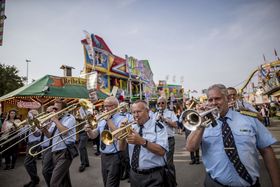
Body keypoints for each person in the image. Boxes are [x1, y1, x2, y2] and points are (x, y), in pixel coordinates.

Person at [186, 84, 280, 187]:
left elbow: (267, 150)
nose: (214, 103)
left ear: (227, 98)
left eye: (217, 99)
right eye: (210, 100)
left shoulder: (248, 118)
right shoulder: (203, 123)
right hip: (215, 184)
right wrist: (201, 125)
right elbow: (191, 147)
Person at [119, 100, 168, 187]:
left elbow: (161, 151)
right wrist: (122, 135)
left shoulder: (158, 127)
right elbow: (121, 148)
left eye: (139, 111)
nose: (136, 115)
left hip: (153, 175)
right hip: (134, 175)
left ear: (148, 111)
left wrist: (142, 141)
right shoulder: (132, 127)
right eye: (133, 112)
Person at [85, 96, 127, 187]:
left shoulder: (122, 119)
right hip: (103, 155)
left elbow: (119, 136)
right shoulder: (102, 119)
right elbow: (94, 135)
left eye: (108, 106)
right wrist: (89, 131)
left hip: (115, 156)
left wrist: (108, 120)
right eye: (104, 106)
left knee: (111, 184)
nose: (105, 108)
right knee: (106, 182)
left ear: (115, 106)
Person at [50, 99, 77, 187]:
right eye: (53, 108)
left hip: (65, 152)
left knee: (54, 183)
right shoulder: (56, 119)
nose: (54, 111)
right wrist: (43, 128)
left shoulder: (70, 117)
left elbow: (64, 131)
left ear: (64, 110)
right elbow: (49, 135)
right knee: (64, 180)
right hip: (55, 151)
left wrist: (55, 120)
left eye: (56, 109)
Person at [155, 96, 178, 178]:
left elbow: (175, 125)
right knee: (160, 162)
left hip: (169, 140)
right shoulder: (155, 114)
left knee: (169, 162)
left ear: (166, 103)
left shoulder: (170, 113)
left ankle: (172, 182)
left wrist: (165, 119)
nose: (160, 104)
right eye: (159, 103)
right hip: (158, 141)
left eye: (162, 102)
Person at [22, 109, 42, 187]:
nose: (28, 117)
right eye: (28, 115)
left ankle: (35, 179)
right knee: (32, 162)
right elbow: (22, 134)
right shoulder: (29, 122)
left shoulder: (38, 122)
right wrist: (24, 126)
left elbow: (38, 134)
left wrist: (31, 125)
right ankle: (33, 180)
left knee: (27, 163)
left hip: (35, 143)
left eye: (30, 115)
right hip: (29, 143)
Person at [39, 106, 56, 187]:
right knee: (48, 168)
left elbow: (51, 135)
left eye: (49, 112)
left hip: (50, 147)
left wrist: (46, 127)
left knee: (45, 170)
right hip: (43, 146)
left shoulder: (54, 122)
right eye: (47, 112)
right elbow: (38, 134)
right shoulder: (45, 121)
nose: (47, 114)